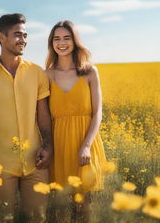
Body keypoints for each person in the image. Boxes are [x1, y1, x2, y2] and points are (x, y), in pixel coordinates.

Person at [0, 13, 53, 222]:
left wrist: (48, 147)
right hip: (1, 165)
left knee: (38, 218)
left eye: (25, 35)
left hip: (36, 164)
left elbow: (43, 115)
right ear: (2, 37)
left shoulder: (37, 73)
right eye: (18, 35)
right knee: (5, 218)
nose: (23, 39)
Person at [45, 20, 106, 196]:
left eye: (67, 38)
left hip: (85, 141)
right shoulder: (47, 74)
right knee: (62, 203)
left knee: (85, 203)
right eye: (56, 39)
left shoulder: (90, 72)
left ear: (75, 41)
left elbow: (97, 113)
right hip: (59, 145)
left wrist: (86, 146)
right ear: (51, 43)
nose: (61, 43)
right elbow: (43, 115)